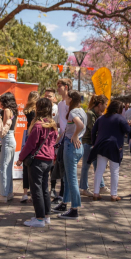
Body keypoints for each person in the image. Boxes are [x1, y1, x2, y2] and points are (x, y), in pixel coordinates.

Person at [17, 98, 58, 227]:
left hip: (38, 160)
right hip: (48, 160)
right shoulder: (53, 125)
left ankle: (39, 218)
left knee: (36, 189)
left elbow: (30, 145)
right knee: (44, 188)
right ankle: (46, 216)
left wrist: (20, 158)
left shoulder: (38, 125)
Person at [52, 90, 86, 220]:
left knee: (71, 179)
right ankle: (65, 203)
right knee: (67, 177)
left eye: (67, 97)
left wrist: (75, 135)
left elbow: (80, 125)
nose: (65, 99)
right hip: (75, 146)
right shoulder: (81, 111)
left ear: (71, 99)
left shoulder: (73, 112)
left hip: (71, 146)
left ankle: (74, 208)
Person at [89, 100, 131, 202]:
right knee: (114, 171)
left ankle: (95, 193)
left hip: (101, 146)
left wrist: (94, 143)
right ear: (119, 109)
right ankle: (113, 195)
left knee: (99, 170)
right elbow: (128, 131)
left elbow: (93, 131)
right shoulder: (121, 118)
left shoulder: (101, 118)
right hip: (115, 147)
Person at [79, 94, 110, 197]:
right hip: (88, 143)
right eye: (105, 104)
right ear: (100, 104)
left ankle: (101, 186)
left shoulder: (97, 114)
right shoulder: (90, 114)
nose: (106, 107)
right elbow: (94, 129)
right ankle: (84, 188)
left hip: (95, 144)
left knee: (98, 166)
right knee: (86, 166)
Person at [0, 92, 17, 203]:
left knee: (3, 167)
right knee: (8, 167)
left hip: (7, 138)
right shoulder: (14, 111)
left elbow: (3, 127)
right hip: (12, 138)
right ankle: (9, 192)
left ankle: (3, 195)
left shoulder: (6, 110)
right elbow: (14, 128)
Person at [51, 79, 72, 202]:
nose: (58, 89)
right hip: (62, 140)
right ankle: (62, 196)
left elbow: (75, 122)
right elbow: (62, 123)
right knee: (60, 168)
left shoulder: (71, 103)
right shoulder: (60, 104)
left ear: (66, 87)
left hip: (69, 140)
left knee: (66, 170)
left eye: (60, 86)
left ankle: (64, 197)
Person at [21, 91, 40, 202]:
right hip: (35, 137)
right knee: (34, 164)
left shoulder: (27, 109)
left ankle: (24, 193)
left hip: (27, 136)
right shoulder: (36, 112)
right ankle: (33, 192)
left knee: (26, 164)